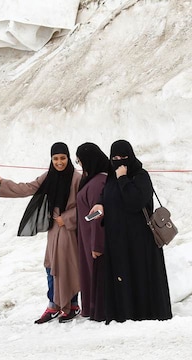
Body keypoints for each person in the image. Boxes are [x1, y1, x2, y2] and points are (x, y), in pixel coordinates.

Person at [0, 142, 81, 324]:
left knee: (66, 266)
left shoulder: (77, 178)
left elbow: (85, 205)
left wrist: (68, 217)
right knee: (51, 266)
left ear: (68, 158)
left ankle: (70, 305)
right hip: (54, 230)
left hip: (68, 231)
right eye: (55, 158)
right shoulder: (48, 177)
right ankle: (55, 305)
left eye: (62, 158)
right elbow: (28, 188)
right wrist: (2, 181)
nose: (59, 162)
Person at [89, 139, 172, 324]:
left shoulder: (141, 176)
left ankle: (145, 313)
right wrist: (100, 205)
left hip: (139, 240)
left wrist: (123, 178)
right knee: (122, 275)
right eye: (115, 158)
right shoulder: (111, 177)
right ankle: (123, 313)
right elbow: (107, 196)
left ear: (131, 156)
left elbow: (135, 201)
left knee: (140, 275)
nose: (119, 161)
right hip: (117, 239)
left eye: (124, 157)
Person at [75, 142, 110, 322]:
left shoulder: (98, 183)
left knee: (95, 275)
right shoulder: (95, 180)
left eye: (80, 161)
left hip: (93, 238)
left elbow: (97, 215)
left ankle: (98, 310)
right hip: (88, 236)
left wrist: (96, 244)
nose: (80, 166)